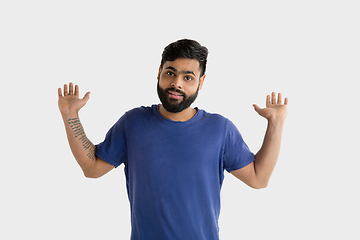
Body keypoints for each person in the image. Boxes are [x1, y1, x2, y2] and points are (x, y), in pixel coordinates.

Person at [58, 39, 288, 240]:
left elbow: (258, 179)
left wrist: (276, 124)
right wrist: (70, 115)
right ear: (159, 73)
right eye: (171, 73)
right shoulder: (133, 123)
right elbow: (92, 168)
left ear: (201, 82)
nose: (177, 83)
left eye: (188, 77)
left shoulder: (220, 129)